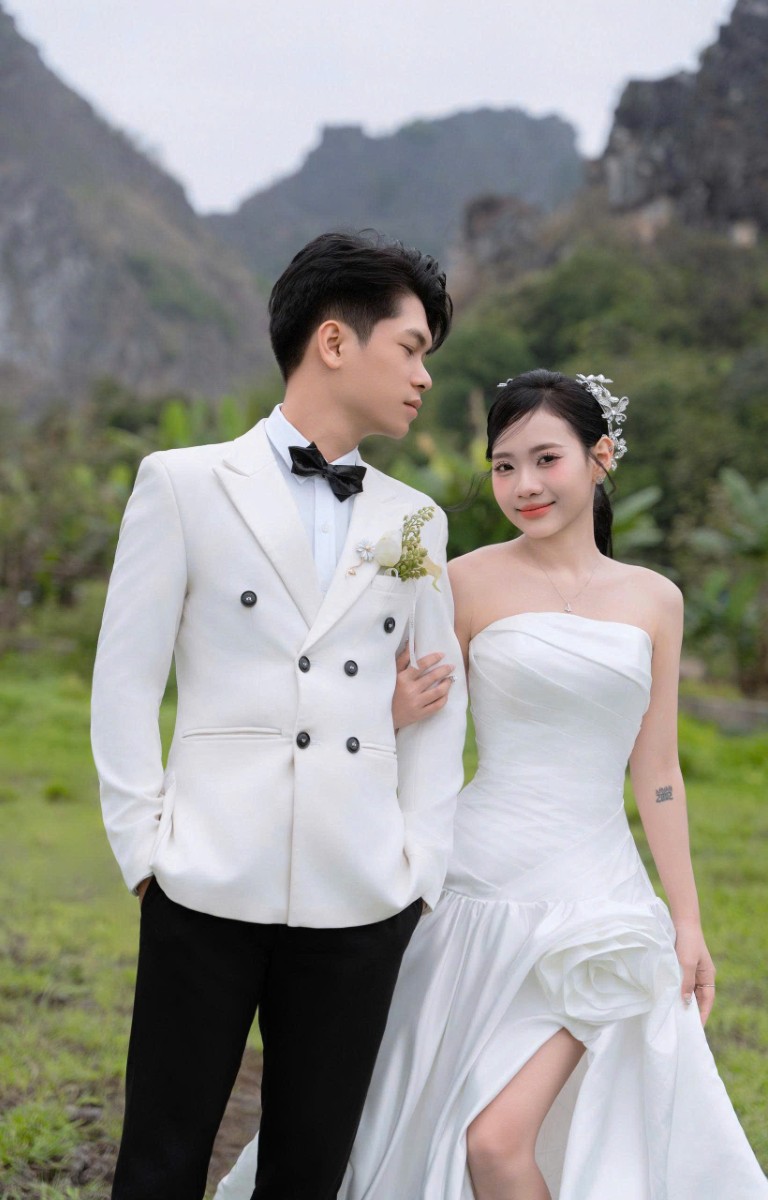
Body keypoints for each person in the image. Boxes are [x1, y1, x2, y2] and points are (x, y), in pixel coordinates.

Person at [216, 369, 768, 1199]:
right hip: (473, 887)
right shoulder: (463, 580)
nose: (524, 485)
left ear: (601, 457)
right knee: (439, 1125)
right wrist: (392, 710)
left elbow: (658, 771)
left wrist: (687, 922)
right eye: (504, 466)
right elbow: (391, 722)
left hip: (598, 903)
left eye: (546, 459)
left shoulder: (656, 599)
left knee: (497, 1142)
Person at [90, 230, 468, 1200]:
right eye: (411, 348)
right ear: (334, 342)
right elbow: (125, 683)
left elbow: (439, 701)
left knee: (309, 1172)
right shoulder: (182, 483)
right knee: (160, 1163)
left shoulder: (416, 522)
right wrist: (145, 854)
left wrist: (418, 868)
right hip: (203, 878)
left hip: (359, 892)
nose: (423, 377)